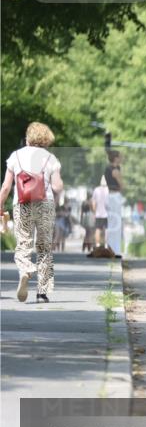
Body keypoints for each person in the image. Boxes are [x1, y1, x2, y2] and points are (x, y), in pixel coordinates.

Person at [0, 122, 64, 303]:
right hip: (45, 204)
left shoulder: (15, 156)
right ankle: (42, 291)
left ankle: (25, 271)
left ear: (28, 137)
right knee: (44, 247)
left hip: (22, 204)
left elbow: (6, 187)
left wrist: (0, 205)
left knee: (23, 243)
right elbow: (58, 186)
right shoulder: (51, 158)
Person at [104, 150, 124, 257]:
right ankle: (115, 250)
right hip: (115, 196)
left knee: (112, 223)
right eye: (120, 157)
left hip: (110, 195)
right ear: (115, 158)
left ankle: (112, 249)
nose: (121, 159)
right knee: (116, 224)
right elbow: (122, 184)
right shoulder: (115, 170)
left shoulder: (108, 168)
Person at [91, 176, 110, 253]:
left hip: (98, 214)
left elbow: (93, 203)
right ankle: (106, 245)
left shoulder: (96, 190)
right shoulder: (109, 190)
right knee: (107, 230)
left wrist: (94, 212)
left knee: (98, 229)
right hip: (107, 214)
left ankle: (98, 245)